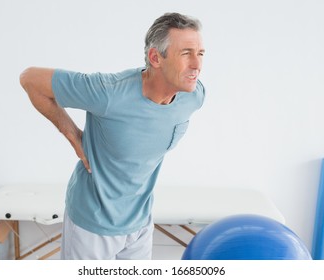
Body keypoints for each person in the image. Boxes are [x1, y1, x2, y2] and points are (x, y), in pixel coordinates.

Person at [19, 12, 205, 260]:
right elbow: (30, 79)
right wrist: (72, 134)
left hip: (140, 222)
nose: (197, 65)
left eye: (201, 53)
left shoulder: (193, 95)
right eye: (186, 53)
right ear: (155, 58)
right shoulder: (109, 94)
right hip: (91, 226)